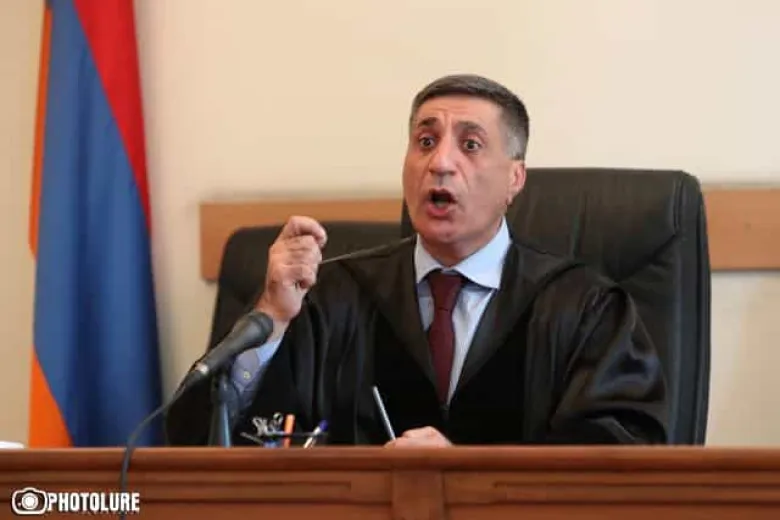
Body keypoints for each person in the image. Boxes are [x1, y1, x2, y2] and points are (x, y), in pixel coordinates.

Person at [165, 74, 667, 447]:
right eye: (425, 142)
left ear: (515, 179)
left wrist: (467, 474)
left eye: (470, 145)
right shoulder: (331, 297)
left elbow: (623, 458)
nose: (440, 162)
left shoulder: (584, 308)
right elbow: (204, 441)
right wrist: (273, 316)